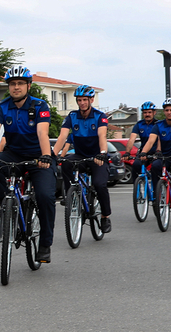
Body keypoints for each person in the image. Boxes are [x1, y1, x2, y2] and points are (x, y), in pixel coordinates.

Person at [0, 66, 55, 263]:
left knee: (45, 196)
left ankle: (45, 244)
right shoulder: (2, 107)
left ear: (28, 85)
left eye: (20, 83)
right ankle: (6, 201)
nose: (16, 87)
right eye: (12, 84)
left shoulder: (40, 106)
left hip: (38, 156)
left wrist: (45, 156)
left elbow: (42, 133)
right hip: (13, 153)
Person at [52, 85, 112, 233]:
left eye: (85, 100)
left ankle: (105, 216)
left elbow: (102, 136)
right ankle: (70, 194)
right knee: (65, 164)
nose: (82, 103)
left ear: (91, 99)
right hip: (80, 155)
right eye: (79, 100)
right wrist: (52, 154)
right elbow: (62, 137)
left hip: (97, 156)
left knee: (99, 185)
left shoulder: (100, 116)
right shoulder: (72, 116)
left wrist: (103, 153)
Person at [137, 98, 171, 210]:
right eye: (167, 110)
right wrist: (143, 152)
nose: (169, 112)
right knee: (155, 167)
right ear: (164, 111)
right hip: (165, 157)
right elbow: (151, 141)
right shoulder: (158, 125)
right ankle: (157, 195)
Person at [123, 101, 160, 181]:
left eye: (149, 112)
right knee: (136, 165)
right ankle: (138, 188)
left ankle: (156, 191)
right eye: (145, 112)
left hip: (156, 152)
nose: (147, 114)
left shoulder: (158, 124)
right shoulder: (139, 124)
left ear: (154, 113)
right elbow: (131, 139)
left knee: (155, 168)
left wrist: (158, 151)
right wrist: (127, 152)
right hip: (144, 152)